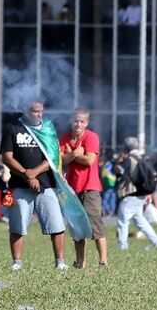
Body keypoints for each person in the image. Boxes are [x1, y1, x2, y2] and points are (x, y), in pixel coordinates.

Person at [0, 100, 68, 271]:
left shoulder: (48, 128)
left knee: (56, 225)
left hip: (46, 185)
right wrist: (26, 175)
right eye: (35, 111)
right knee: (17, 225)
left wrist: (34, 173)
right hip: (19, 185)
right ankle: (17, 263)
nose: (39, 115)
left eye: (41, 111)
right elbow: (7, 157)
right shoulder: (12, 128)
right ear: (25, 111)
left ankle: (60, 262)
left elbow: (53, 156)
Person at [59, 109, 108, 269]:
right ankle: (80, 263)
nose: (78, 124)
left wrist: (71, 154)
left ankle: (103, 262)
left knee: (96, 227)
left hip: (90, 188)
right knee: (77, 229)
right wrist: (75, 153)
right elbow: (60, 161)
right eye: (76, 121)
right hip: (71, 190)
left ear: (87, 123)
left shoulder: (91, 137)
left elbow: (89, 160)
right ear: (70, 120)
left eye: (82, 121)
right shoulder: (63, 138)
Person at [114, 137, 157, 250]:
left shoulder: (129, 159)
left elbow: (119, 173)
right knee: (140, 220)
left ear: (126, 147)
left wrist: (119, 161)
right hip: (142, 193)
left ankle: (122, 246)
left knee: (123, 220)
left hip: (131, 194)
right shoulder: (143, 157)